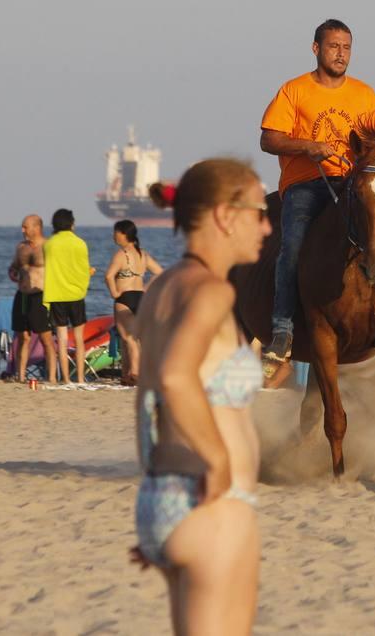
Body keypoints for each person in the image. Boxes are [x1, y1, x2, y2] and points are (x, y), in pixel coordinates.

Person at [131, 158, 271, 634]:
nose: (268, 226)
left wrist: (158, 497)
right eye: (259, 212)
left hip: (165, 492)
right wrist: (217, 460)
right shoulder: (212, 293)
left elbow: (145, 397)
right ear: (224, 216)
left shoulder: (162, 287)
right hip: (214, 499)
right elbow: (173, 377)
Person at [259, 19, 375, 368]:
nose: (341, 54)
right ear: (316, 49)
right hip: (307, 183)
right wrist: (307, 146)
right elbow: (269, 138)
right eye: (334, 46)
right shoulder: (294, 90)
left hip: (353, 184)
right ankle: (282, 328)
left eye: (346, 47)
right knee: (293, 246)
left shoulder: (364, 94)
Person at [106, 219, 164, 383]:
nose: (113, 236)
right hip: (140, 298)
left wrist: (114, 292)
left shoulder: (121, 254)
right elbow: (160, 272)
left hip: (124, 298)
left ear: (124, 234)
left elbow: (109, 275)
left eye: (116, 232)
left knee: (129, 339)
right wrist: (146, 288)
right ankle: (127, 374)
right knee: (133, 340)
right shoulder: (142, 254)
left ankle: (135, 374)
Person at [43, 208, 92, 385]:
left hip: (56, 295)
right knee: (79, 339)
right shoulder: (80, 243)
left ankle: (65, 378)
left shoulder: (49, 244)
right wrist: (83, 285)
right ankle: (79, 378)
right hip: (76, 294)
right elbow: (83, 269)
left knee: (62, 341)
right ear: (71, 224)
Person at [9, 214, 55, 383]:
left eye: (25, 227)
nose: (23, 230)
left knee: (46, 338)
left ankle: (51, 377)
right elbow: (13, 267)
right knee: (22, 337)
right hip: (22, 295)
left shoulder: (48, 246)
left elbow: (59, 270)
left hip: (41, 295)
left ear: (37, 228)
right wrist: (13, 273)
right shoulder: (21, 247)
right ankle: (20, 375)